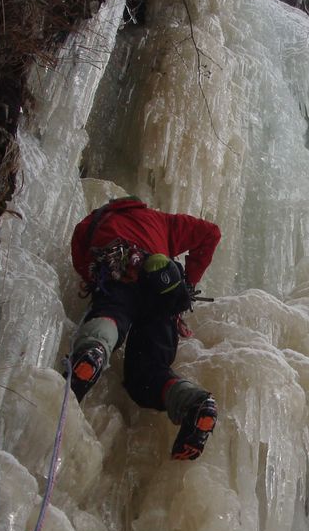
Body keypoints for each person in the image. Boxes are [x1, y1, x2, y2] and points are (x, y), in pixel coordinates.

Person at [66, 197, 222, 461]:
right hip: (163, 293)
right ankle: (194, 402)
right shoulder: (161, 221)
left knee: (112, 314)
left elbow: (84, 266)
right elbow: (211, 233)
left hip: (120, 274)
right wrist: (188, 283)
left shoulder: (91, 223)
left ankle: (93, 352)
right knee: (147, 373)